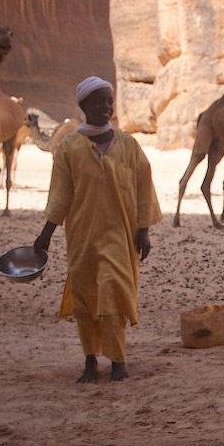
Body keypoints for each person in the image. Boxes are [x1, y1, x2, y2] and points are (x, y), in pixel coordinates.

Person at [34, 76, 162, 383]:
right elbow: (60, 196)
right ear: (84, 106)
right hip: (82, 238)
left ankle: (118, 360)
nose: (106, 107)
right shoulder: (69, 148)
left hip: (120, 236)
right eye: (99, 101)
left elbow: (144, 187)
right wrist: (45, 235)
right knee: (86, 299)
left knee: (114, 293)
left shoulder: (129, 145)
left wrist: (143, 230)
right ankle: (90, 361)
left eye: (109, 101)